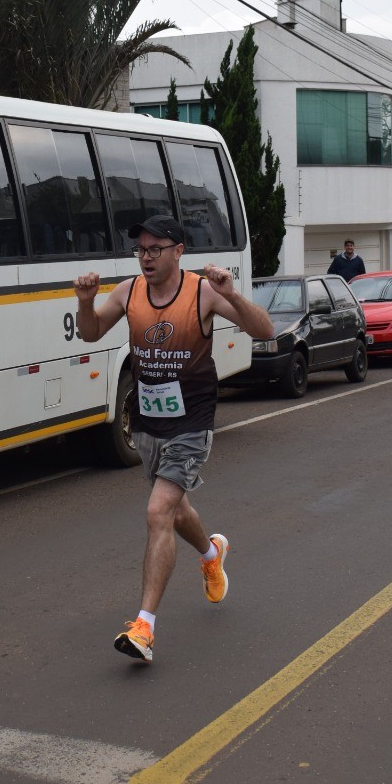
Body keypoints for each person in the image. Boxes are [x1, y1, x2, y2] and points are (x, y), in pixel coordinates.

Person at [73, 215, 274, 663]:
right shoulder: (128, 292)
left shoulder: (202, 292)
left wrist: (232, 295)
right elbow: (90, 332)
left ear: (179, 251)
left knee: (157, 510)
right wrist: (86, 303)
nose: (146, 257)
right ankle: (211, 553)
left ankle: (144, 627)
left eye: (155, 249)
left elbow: (265, 331)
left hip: (192, 423)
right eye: (141, 250)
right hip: (148, 424)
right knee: (175, 509)